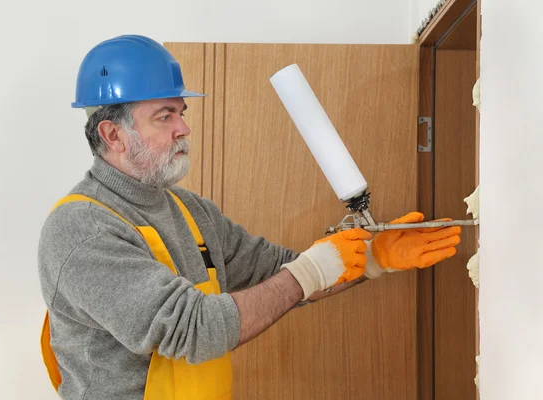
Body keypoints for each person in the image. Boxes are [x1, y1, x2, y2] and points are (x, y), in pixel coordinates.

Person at [38, 35, 461, 400]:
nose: (183, 128)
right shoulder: (83, 229)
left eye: (181, 113)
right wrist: (312, 270)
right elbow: (194, 330)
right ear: (113, 134)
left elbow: (283, 274)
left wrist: (369, 258)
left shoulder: (190, 210)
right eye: (164, 116)